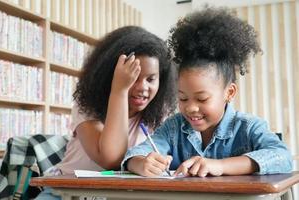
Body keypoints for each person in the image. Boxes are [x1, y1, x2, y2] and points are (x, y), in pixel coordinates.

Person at [122, 7, 293, 177]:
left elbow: (283, 157)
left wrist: (221, 166)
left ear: (229, 92)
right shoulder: (173, 128)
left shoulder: (248, 127)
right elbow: (135, 154)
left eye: (202, 99)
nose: (190, 108)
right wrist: (140, 163)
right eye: (183, 98)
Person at [35, 26, 176, 199]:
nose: (142, 88)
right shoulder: (87, 104)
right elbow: (110, 158)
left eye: (150, 79)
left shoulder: (159, 114)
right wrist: (120, 90)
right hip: (69, 192)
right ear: (112, 76)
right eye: (133, 78)